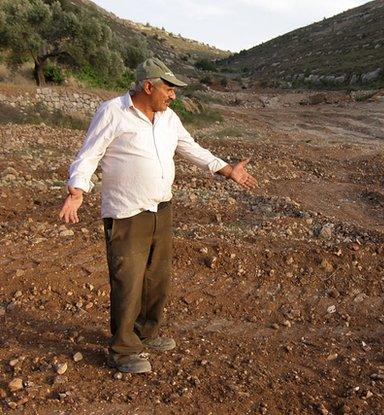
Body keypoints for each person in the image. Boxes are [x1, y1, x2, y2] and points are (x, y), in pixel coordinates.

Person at [58, 57, 257, 373]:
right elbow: (89, 154)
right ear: (148, 86)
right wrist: (77, 190)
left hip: (160, 208)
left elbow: (191, 148)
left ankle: (146, 334)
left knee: (157, 279)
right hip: (127, 211)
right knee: (128, 280)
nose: (173, 95)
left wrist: (227, 169)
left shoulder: (169, 119)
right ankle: (123, 349)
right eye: (169, 88)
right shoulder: (113, 112)